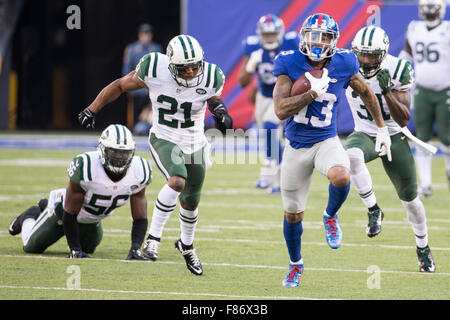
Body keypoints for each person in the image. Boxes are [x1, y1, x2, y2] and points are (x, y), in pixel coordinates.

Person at [78, 34, 233, 275]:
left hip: (195, 141)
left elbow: (211, 97)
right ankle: (153, 238)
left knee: (191, 200)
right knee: (178, 180)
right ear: (171, 65)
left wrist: (220, 111)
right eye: (185, 68)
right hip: (165, 137)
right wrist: (92, 108)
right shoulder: (154, 67)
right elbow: (120, 85)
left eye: (195, 66)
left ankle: (186, 244)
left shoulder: (212, 75)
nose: (192, 73)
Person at [272, 13, 392, 287]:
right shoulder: (289, 62)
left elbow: (366, 91)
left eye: (324, 37)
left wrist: (382, 127)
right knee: (293, 214)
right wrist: (310, 94)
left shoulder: (344, 62)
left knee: (341, 175)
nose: (317, 42)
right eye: (313, 35)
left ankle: (330, 216)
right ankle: (295, 264)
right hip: (296, 145)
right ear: (303, 36)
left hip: (326, 140)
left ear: (334, 41)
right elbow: (280, 110)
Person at [346, 26, 436, 272]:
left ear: (383, 54)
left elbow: (405, 118)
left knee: (412, 201)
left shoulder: (399, 69)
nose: (365, 61)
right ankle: (374, 209)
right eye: (361, 55)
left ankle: (423, 248)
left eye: (372, 55)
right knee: (351, 157)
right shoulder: (346, 64)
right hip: (365, 131)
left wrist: (387, 92)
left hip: (395, 134)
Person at [8, 124, 152, 259]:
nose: (119, 160)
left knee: (88, 249)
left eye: (124, 154)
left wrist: (135, 248)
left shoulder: (140, 170)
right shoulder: (87, 166)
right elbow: (69, 213)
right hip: (62, 212)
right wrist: (75, 250)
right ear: (102, 149)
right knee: (31, 247)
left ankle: (44, 206)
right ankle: (29, 215)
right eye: (114, 153)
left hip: (92, 219)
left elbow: (140, 217)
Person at [238, 14, 300, 193]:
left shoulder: (290, 43)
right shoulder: (253, 47)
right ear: (259, 35)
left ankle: (275, 173)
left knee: (269, 127)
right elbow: (242, 81)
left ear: (280, 33)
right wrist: (251, 65)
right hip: (264, 96)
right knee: (268, 135)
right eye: (266, 35)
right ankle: (274, 177)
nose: (270, 38)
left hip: (284, 95)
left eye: (273, 34)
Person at [399, 0, 450, 198]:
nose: (428, 11)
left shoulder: (447, 29)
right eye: (426, 6)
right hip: (421, 89)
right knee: (421, 138)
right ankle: (425, 184)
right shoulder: (414, 28)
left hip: (445, 89)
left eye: (432, 6)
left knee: (446, 138)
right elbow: (407, 54)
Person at [122, 23, 163, 135]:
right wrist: (127, 86)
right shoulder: (132, 49)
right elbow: (126, 69)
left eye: (148, 33)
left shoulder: (156, 48)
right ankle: (133, 131)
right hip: (136, 88)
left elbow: (161, 70)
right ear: (140, 35)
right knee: (134, 114)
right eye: (144, 33)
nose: (146, 36)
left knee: (152, 113)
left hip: (151, 89)